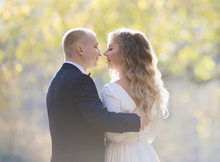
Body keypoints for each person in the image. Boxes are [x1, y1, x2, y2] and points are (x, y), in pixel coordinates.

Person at [46, 27, 146, 162]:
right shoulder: (80, 80)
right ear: (80, 50)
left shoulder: (56, 81)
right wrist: (136, 120)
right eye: (95, 47)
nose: (100, 53)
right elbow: (100, 118)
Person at [102, 28, 169, 162]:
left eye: (110, 48)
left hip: (119, 155)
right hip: (145, 154)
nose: (104, 53)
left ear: (125, 54)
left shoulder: (111, 90)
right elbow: (150, 135)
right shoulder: (152, 91)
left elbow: (113, 136)